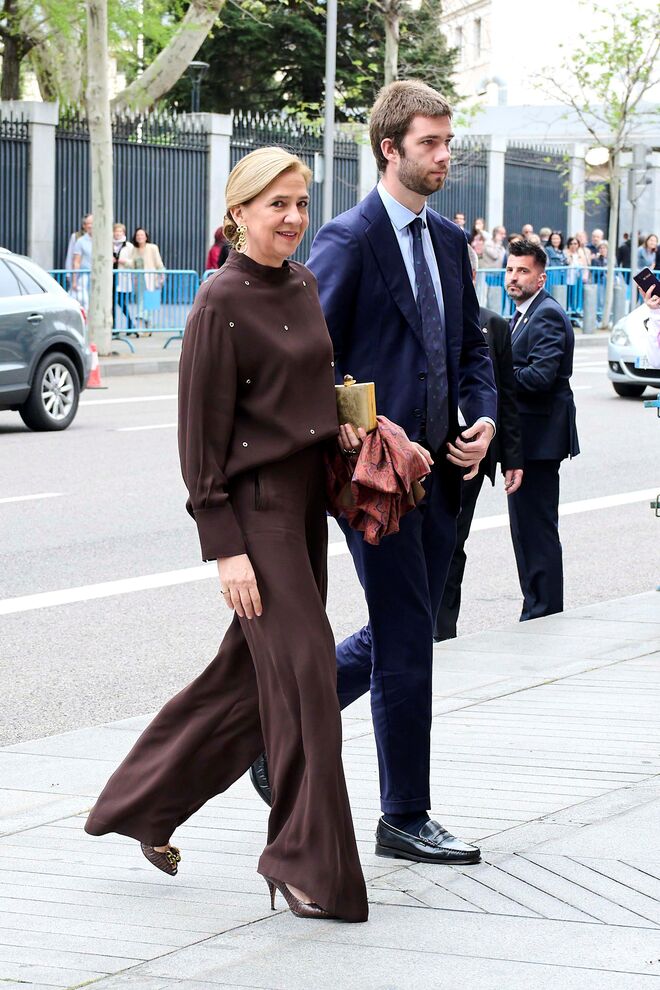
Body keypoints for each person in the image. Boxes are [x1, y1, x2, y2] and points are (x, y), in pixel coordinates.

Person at [85, 147, 369, 924]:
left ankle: (144, 806)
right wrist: (227, 549)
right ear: (239, 211)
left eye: (302, 203)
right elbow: (199, 441)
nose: (294, 219)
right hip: (258, 518)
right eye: (277, 204)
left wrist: (345, 428)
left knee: (241, 685)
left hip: (306, 509)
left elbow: (308, 387)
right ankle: (302, 862)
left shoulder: (304, 285)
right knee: (311, 682)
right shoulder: (217, 301)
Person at [255, 80, 496, 867]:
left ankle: (278, 731)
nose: (444, 156)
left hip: (445, 482)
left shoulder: (451, 242)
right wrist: (364, 439)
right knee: (408, 637)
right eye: (430, 144)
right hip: (376, 485)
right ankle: (405, 815)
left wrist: (482, 415)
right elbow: (304, 355)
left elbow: (473, 349)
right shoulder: (350, 240)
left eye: (447, 142)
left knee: (410, 628)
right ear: (390, 149)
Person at [434, 246, 523, 641]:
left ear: (469, 278)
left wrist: (511, 459)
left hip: (471, 450)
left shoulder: (493, 325)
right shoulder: (424, 320)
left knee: (453, 543)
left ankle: (443, 630)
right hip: (425, 447)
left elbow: (506, 394)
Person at [505, 238, 579, 620]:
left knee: (536, 528)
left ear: (541, 277)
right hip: (528, 439)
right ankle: (535, 605)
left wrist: (500, 375)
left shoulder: (546, 313)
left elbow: (540, 376)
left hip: (539, 440)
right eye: (510, 269)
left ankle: (544, 610)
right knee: (526, 529)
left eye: (523, 271)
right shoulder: (522, 314)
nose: (514, 277)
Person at [120, 228, 165, 328]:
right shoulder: (134, 250)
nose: (140, 237)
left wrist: (161, 274)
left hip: (151, 278)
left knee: (150, 302)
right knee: (140, 300)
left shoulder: (152, 247)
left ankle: (147, 325)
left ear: (146, 237)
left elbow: (158, 262)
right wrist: (125, 262)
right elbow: (132, 263)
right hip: (139, 279)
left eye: (142, 235)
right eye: (138, 235)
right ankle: (141, 320)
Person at [112, 223, 134, 332]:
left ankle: (130, 324)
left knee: (121, 302)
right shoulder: (108, 244)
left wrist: (123, 261)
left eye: (120, 231)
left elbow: (133, 262)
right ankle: (113, 327)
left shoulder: (129, 246)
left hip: (122, 277)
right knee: (111, 303)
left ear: (123, 233)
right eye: (116, 231)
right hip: (111, 278)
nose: (117, 233)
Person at [71, 214, 93, 308]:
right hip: (85, 277)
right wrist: (74, 280)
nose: (90, 226)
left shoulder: (104, 240)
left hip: (101, 277)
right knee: (85, 303)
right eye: (87, 223)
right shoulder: (80, 241)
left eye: (92, 223)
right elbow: (76, 262)